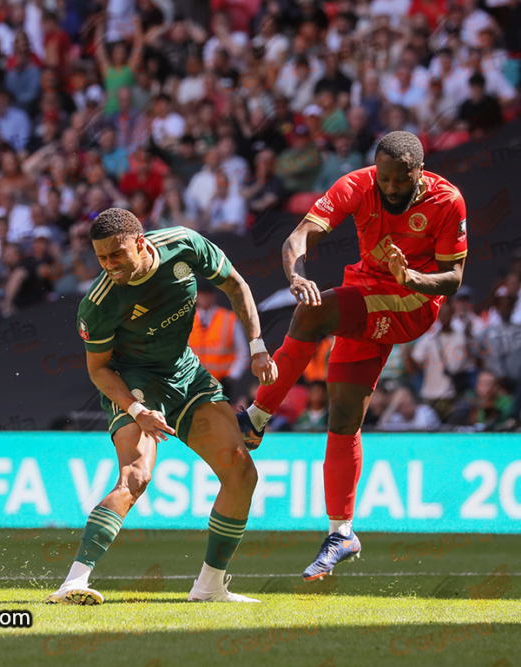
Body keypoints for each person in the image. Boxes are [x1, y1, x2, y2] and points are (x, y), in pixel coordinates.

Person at [238, 131, 468, 581]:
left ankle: (256, 418)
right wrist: (296, 273)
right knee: (343, 419)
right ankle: (342, 533)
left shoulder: (447, 201)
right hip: (366, 293)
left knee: (312, 315)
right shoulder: (359, 184)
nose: (390, 188)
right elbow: (299, 236)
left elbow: (454, 277)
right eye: (384, 178)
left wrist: (414, 278)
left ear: (418, 173)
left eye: (400, 180)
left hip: (412, 304)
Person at [47, 208, 277, 605]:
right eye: (101, 258)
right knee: (135, 476)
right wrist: (137, 411)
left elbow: (235, 284)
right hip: (132, 382)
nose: (108, 266)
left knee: (242, 473)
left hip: (185, 372)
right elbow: (99, 371)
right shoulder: (98, 303)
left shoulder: (184, 244)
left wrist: (257, 347)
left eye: (115, 255)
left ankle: (209, 587)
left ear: (141, 242)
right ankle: (73, 583)